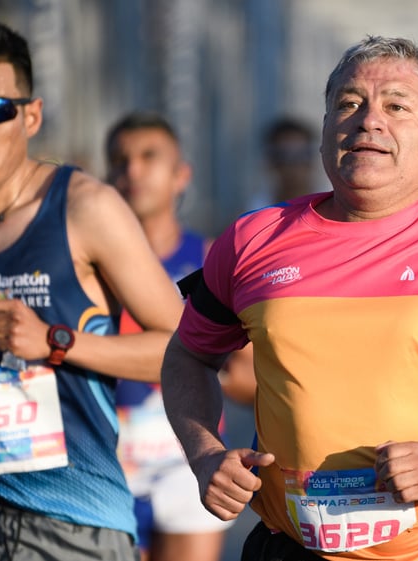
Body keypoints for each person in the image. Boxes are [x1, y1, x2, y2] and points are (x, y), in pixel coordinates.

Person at [161, 35, 418, 561]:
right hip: (287, 547)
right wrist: (204, 454)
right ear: (324, 133)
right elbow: (188, 353)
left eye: (396, 105)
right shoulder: (251, 239)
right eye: (348, 104)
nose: (368, 120)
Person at [0, 23, 183, 560]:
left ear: (31, 116)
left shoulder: (85, 207)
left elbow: (183, 347)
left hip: (67, 520)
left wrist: (56, 341)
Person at [104, 111, 256, 561]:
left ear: (181, 175)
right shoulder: (85, 268)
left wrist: (188, 368)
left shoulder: (211, 260)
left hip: (185, 460)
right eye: (119, 160)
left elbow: (249, 382)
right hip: (109, 460)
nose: (132, 170)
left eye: (149, 156)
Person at [261, 117, 317, 202]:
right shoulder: (254, 211)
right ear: (271, 161)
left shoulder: (335, 207)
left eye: (301, 155)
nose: (293, 165)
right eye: (284, 156)